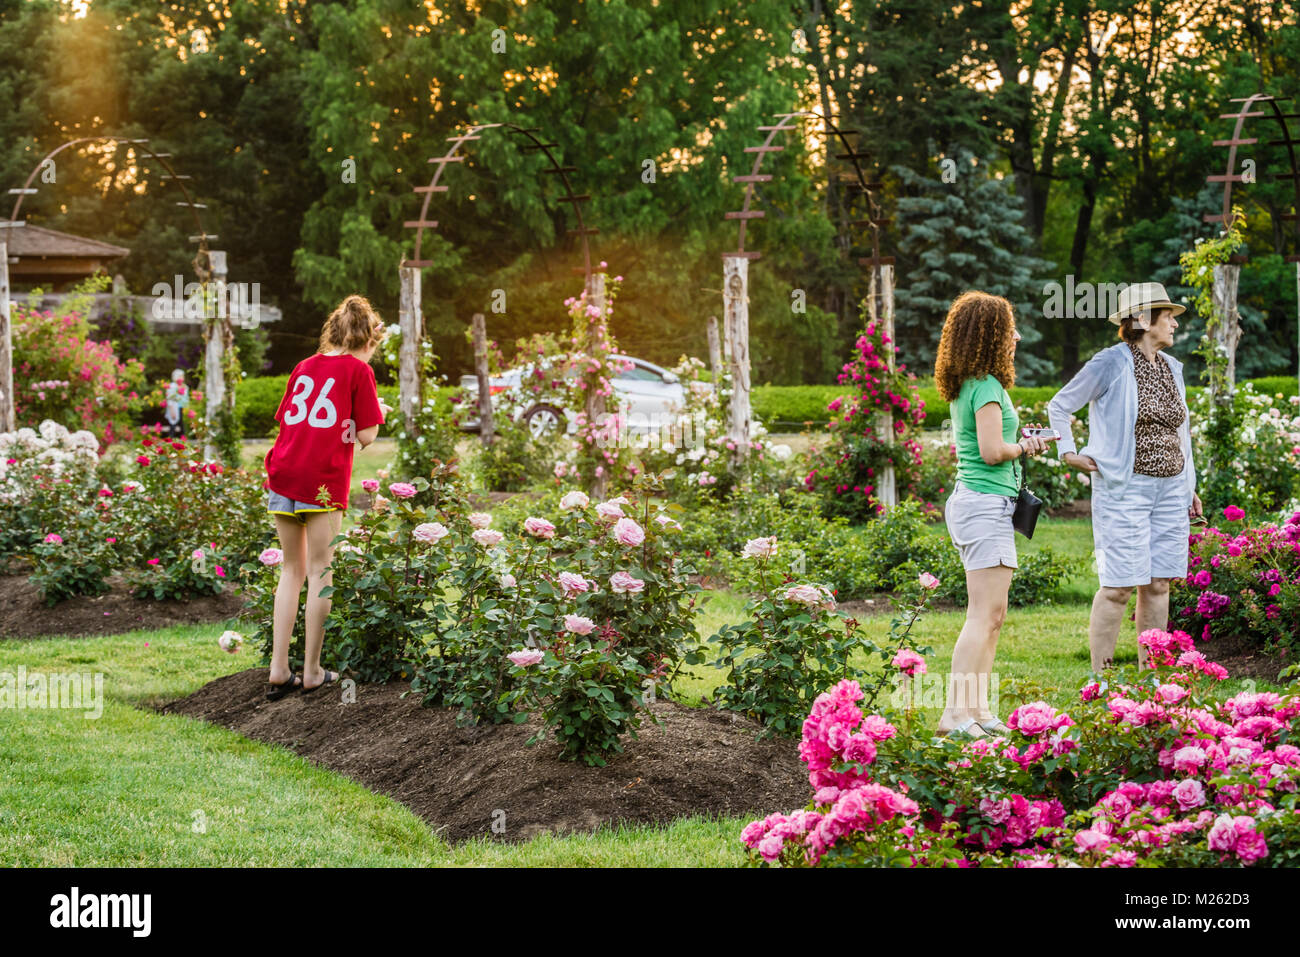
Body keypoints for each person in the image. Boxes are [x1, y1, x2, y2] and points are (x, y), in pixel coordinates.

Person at [1046, 282, 1203, 672]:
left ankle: (1153, 680)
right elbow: (1061, 404)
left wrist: (1189, 488)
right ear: (1144, 319)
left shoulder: (1171, 368)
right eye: (1168, 317)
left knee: (1159, 584)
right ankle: (1102, 679)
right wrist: (1068, 451)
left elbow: (1179, 433)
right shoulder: (1112, 362)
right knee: (1117, 586)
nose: (1174, 326)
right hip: (1125, 487)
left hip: (1169, 488)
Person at [262, 295, 392, 699]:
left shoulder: (304, 366)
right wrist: (375, 412)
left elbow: (290, 418)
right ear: (369, 340)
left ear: (333, 331)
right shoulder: (359, 371)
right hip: (322, 480)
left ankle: (279, 669)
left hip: (283, 473)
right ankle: (313, 670)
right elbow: (367, 435)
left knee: (291, 570)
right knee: (321, 571)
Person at [934, 291, 1051, 738]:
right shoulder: (985, 386)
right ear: (990, 336)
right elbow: (991, 452)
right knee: (982, 614)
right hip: (984, 505)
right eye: (1009, 329)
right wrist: (1028, 445)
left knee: (993, 613)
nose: (1017, 336)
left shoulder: (975, 383)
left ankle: (978, 711)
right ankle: (953, 715)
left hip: (983, 504)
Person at [163, 369, 189, 439]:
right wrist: (171, 410)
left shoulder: (184, 387)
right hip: (174, 407)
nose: (182, 378)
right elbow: (170, 399)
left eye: (182, 376)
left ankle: (182, 438)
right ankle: (171, 438)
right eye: (180, 376)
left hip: (181, 408)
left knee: (181, 424)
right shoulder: (172, 386)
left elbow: (186, 399)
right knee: (173, 423)